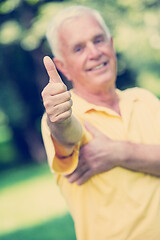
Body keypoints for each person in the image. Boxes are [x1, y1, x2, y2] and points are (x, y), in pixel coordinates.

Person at [41, 5, 160, 240]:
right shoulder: (61, 115)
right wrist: (60, 119)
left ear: (112, 45)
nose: (94, 53)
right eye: (78, 48)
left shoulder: (144, 99)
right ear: (62, 66)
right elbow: (68, 134)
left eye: (98, 40)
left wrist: (118, 152)